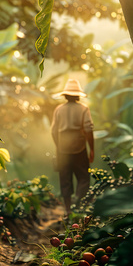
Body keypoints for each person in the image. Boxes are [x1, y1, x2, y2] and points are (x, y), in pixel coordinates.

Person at [51, 79, 94, 217]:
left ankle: (68, 209)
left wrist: (59, 146)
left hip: (62, 149)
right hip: (79, 148)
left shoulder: (59, 109)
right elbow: (88, 130)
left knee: (65, 178)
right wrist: (91, 148)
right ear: (78, 95)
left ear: (65, 95)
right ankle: (78, 203)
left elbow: (53, 131)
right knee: (84, 178)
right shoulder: (83, 109)